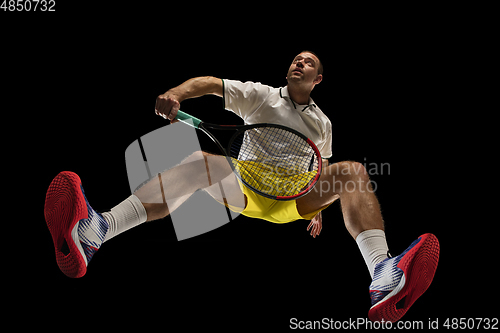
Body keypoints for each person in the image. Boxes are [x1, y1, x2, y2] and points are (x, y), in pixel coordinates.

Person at [44, 51, 439, 322]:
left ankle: (383, 274)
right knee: (199, 163)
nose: (299, 62)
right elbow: (210, 84)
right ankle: (96, 230)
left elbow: (321, 166)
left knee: (352, 170)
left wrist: (318, 209)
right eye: (296, 58)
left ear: (318, 79)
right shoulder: (261, 95)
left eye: (309, 62)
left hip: (292, 197)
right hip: (246, 185)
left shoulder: (323, 124)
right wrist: (178, 94)